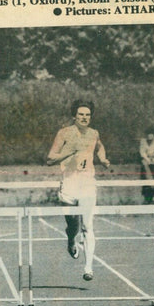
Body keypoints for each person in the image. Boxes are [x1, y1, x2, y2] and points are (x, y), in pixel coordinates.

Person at [46, 100, 111, 281]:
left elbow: (99, 147)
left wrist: (103, 159)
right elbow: (50, 159)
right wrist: (69, 153)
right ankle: (70, 240)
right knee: (73, 225)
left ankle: (88, 267)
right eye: (81, 114)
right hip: (69, 182)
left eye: (88, 115)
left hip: (87, 182)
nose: (84, 118)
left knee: (87, 225)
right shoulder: (64, 133)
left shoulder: (93, 133)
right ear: (74, 116)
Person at [139, 129, 154, 204]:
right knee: (144, 164)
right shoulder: (143, 141)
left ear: (153, 135)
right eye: (148, 134)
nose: (149, 136)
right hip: (146, 158)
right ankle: (150, 180)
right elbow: (142, 152)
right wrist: (147, 159)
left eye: (151, 134)